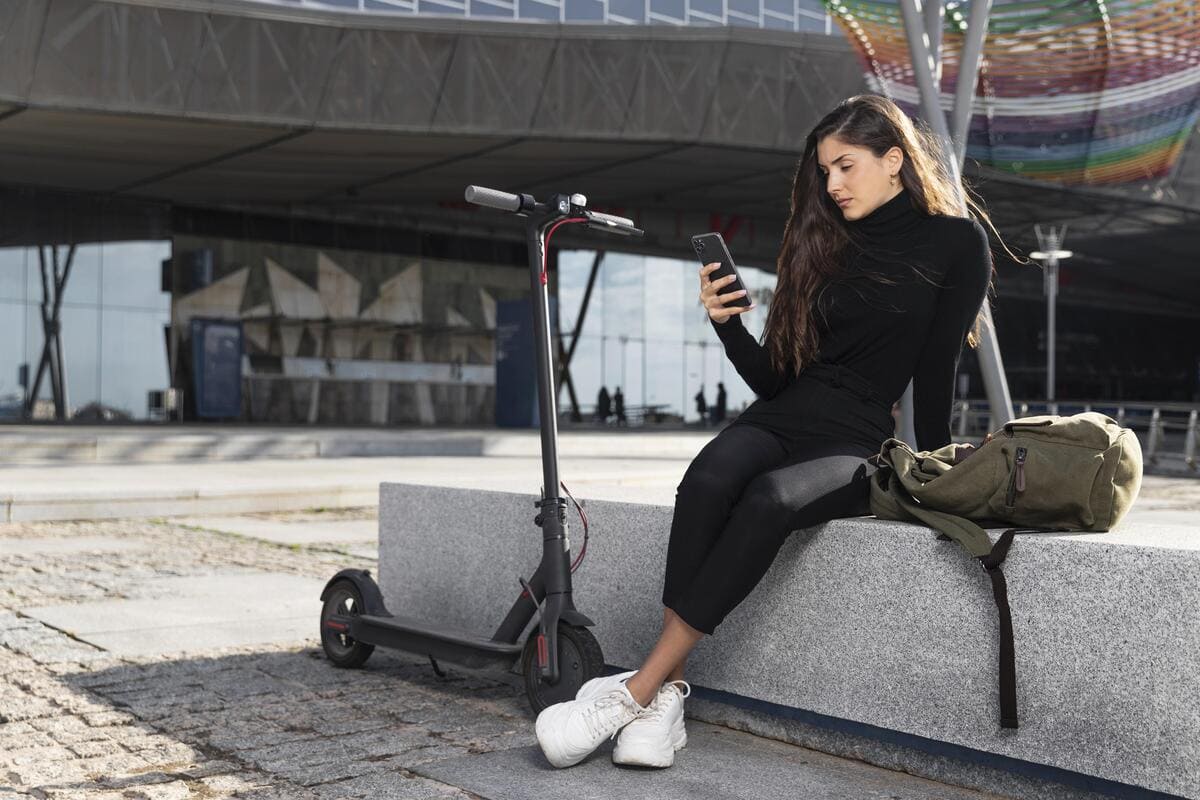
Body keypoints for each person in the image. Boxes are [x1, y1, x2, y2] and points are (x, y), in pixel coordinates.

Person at [534, 93, 998, 770]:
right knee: (708, 479)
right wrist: (726, 325)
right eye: (825, 172)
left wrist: (934, 475)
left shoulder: (956, 243)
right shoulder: (826, 242)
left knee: (770, 502)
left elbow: (936, 374)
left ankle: (635, 690)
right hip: (782, 415)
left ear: (894, 160)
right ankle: (666, 699)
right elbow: (778, 380)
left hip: (856, 440)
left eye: (846, 167)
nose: (832, 185)